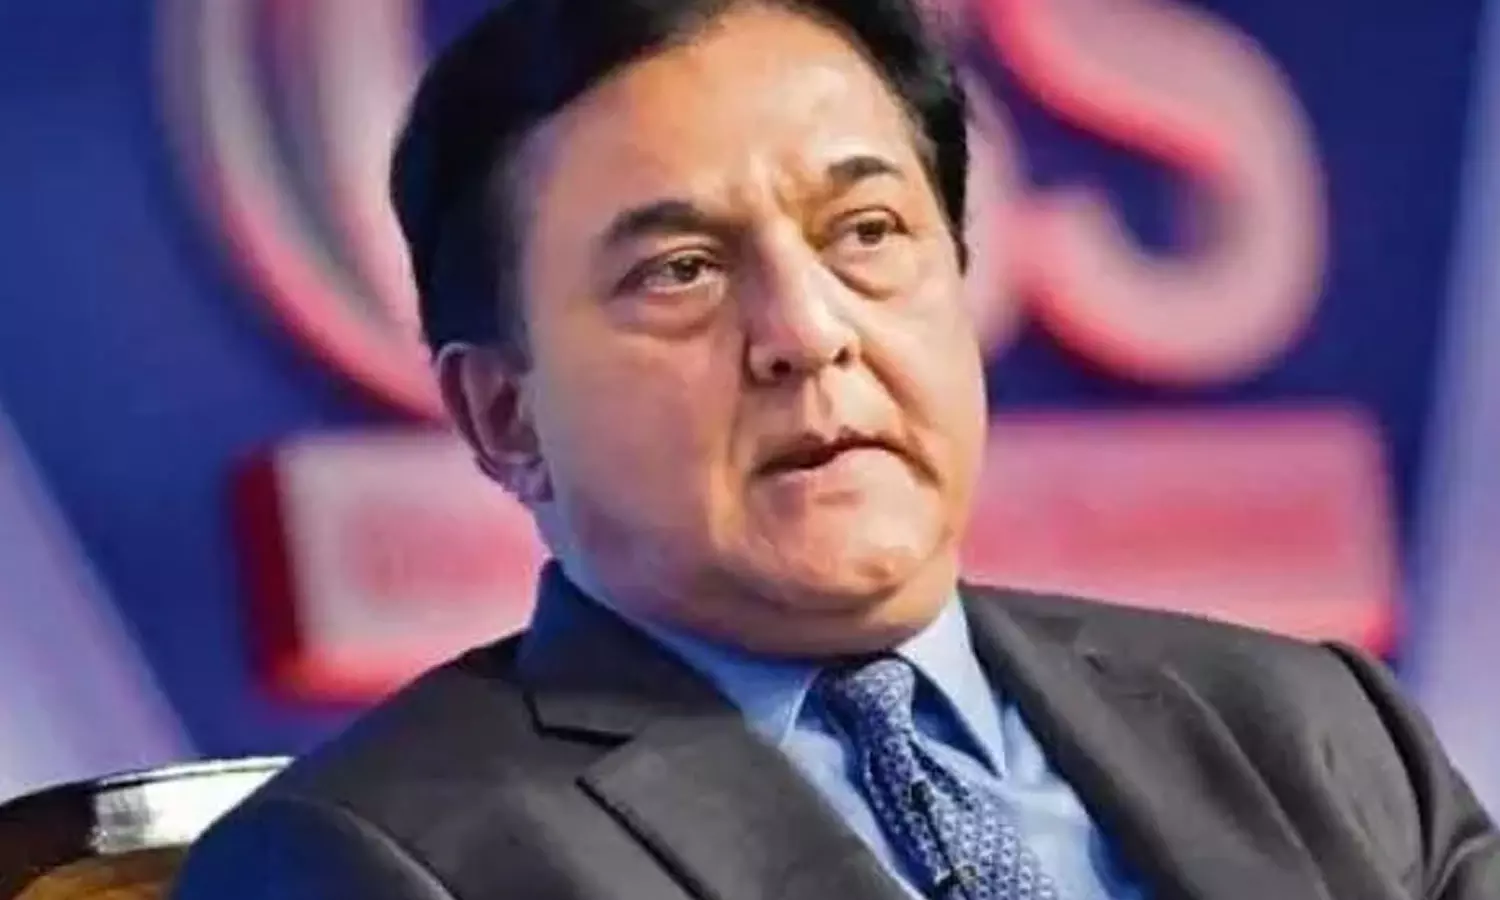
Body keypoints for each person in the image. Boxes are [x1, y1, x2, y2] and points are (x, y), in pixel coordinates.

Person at [172, 0, 1500, 896]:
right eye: (681, 270)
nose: (808, 334)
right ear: (504, 415)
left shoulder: (1315, 730)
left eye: (866, 234)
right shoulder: (377, 860)